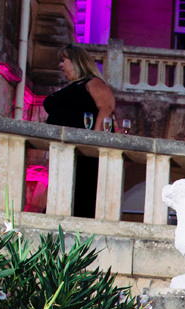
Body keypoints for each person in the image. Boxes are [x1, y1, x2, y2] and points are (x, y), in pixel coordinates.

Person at [43, 44, 116, 218]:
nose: (60, 66)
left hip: (83, 150)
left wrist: (94, 141)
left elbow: (106, 107)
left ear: (76, 61)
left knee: (80, 193)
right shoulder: (70, 87)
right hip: (62, 150)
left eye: (63, 60)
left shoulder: (93, 82)